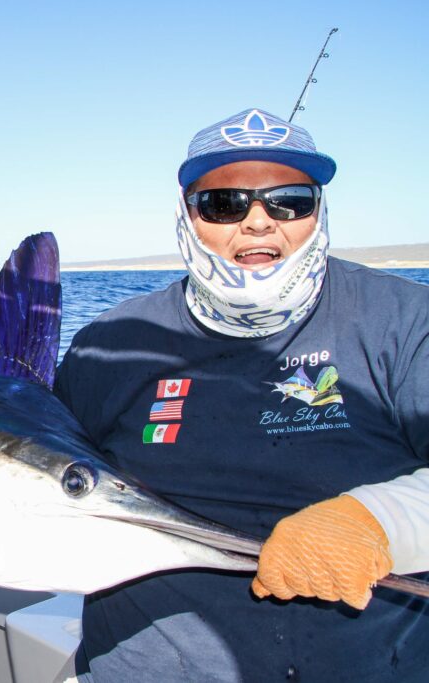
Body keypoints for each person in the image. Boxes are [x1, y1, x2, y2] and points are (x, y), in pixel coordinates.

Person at [54, 108, 429, 681]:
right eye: (224, 203)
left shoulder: (405, 321)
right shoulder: (108, 343)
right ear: (188, 214)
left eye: (290, 201)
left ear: (319, 210)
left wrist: (379, 520)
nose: (259, 222)